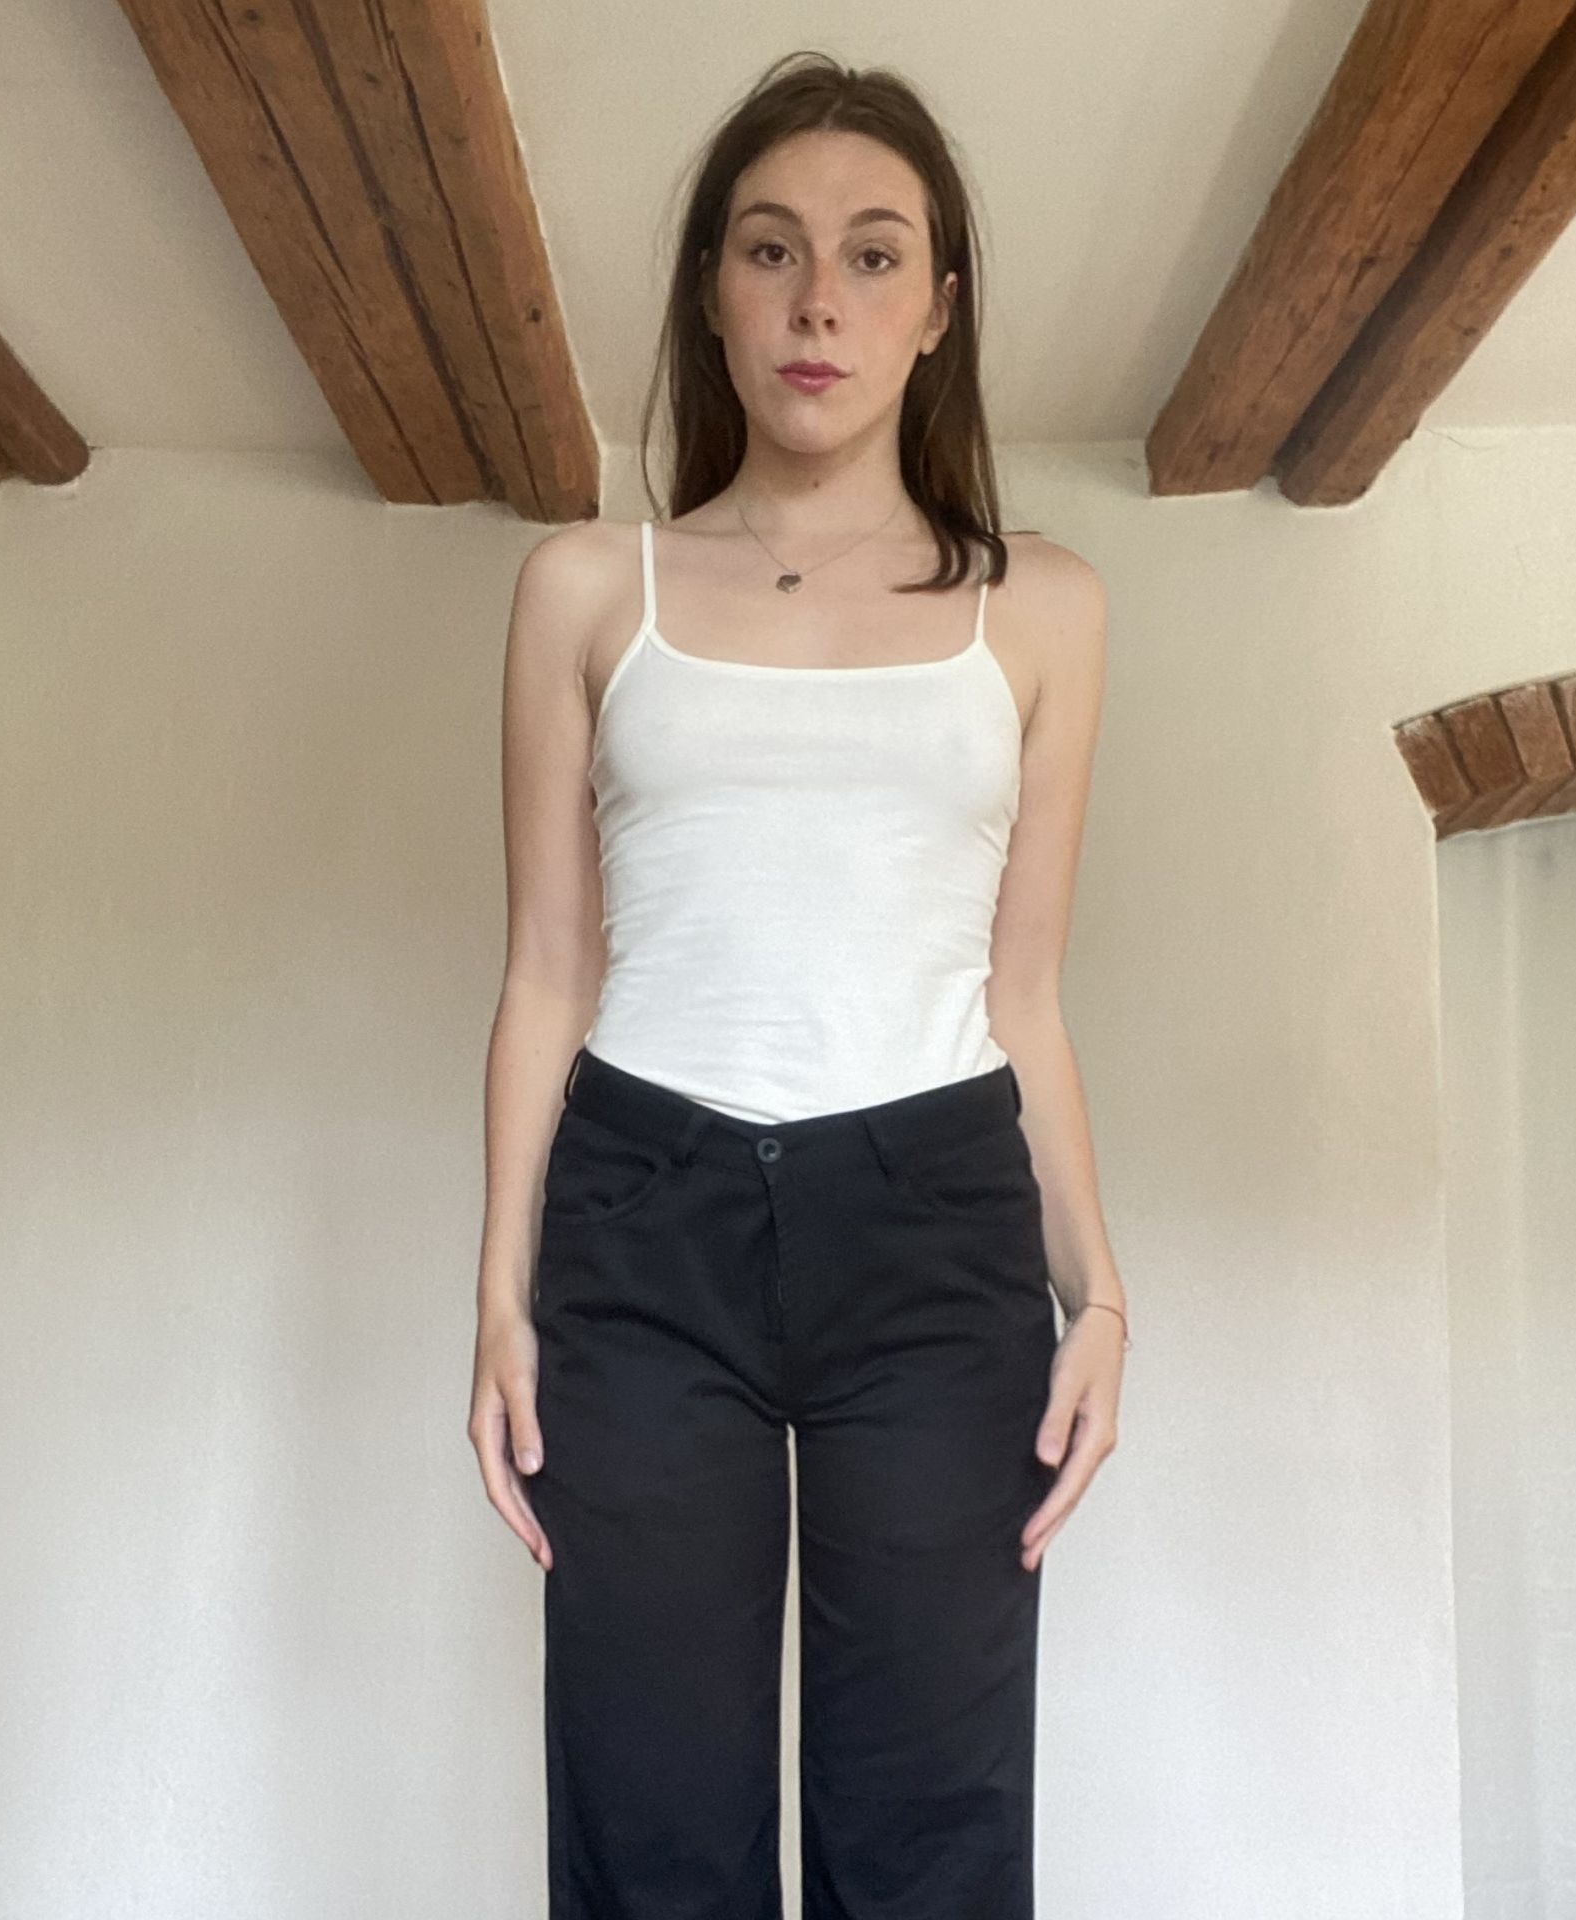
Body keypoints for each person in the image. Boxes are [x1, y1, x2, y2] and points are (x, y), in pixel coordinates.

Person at [468, 49, 1130, 1920]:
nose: (818, 298)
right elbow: (545, 971)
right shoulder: (585, 590)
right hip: (644, 1220)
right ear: (713, 292)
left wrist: (1100, 1292)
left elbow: (1025, 996)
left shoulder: (1043, 608)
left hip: (933, 1231)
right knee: (648, 1805)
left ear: (939, 308)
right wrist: (500, 1296)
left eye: (871, 254)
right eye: (770, 250)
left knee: (930, 1819)